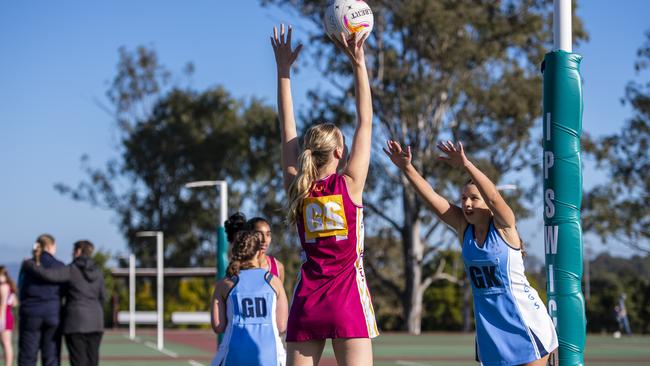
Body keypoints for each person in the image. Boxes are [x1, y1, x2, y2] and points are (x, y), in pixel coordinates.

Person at [384, 140, 558, 366]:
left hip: (525, 322)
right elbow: (433, 199)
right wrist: (407, 168)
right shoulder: (464, 229)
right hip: (491, 329)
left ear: (487, 204)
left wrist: (465, 164)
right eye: (463, 198)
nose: (466, 203)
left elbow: (494, 197)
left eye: (474, 198)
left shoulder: (505, 227)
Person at [272, 23, 378, 366]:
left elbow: (287, 128)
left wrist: (284, 71)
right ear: (338, 153)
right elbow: (366, 119)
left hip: (308, 301)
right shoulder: (349, 185)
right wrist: (358, 62)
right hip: (347, 301)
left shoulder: (298, 187)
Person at [210, 231, 288, 366]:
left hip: (233, 356)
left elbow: (218, 326)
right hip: (270, 357)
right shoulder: (274, 282)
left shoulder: (224, 284)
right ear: (259, 253)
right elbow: (282, 327)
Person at [23, 240, 106, 366]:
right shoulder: (98, 272)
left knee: (79, 360)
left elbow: (49, 275)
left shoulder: (72, 269)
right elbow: (103, 296)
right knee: (92, 360)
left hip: (76, 321)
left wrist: (32, 265)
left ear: (78, 251)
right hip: (96, 321)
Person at [18, 234, 65, 366]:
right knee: (51, 357)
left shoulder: (28, 265)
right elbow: (64, 289)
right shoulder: (59, 265)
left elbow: (21, 288)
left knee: (27, 356)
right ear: (50, 246)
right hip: (52, 314)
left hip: (30, 314)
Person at [0, 266, 17, 366]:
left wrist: (1, 322)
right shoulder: (9, 286)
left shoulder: (3, 287)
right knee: (6, 344)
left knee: (6, 344)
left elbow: (2, 306)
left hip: (4, 317)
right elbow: (14, 303)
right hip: (8, 316)